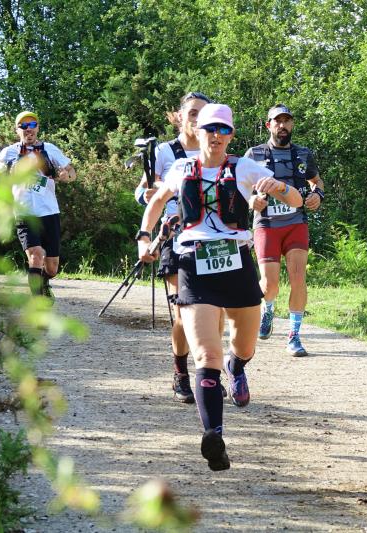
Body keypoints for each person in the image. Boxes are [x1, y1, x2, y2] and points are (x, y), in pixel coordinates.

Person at [136, 103, 303, 470]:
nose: (215, 136)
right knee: (206, 357)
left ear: (231, 135)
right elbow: (157, 202)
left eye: (223, 130)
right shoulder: (180, 169)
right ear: (198, 132)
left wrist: (277, 188)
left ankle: (238, 365)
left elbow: (297, 199)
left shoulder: (244, 167)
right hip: (194, 262)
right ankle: (214, 435)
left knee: (244, 346)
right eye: (209, 129)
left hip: (237, 263)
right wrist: (144, 238)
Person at [133, 92, 213, 404]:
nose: (197, 119)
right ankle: (181, 369)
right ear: (178, 117)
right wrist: (149, 194)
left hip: (210, 239)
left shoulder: (215, 149)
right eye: (192, 113)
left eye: (202, 114)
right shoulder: (166, 152)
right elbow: (142, 194)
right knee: (184, 311)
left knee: (213, 311)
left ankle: (208, 370)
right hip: (174, 237)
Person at [246, 104, 324, 357]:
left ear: (292, 125)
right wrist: (251, 201)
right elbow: (239, 186)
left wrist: (317, 195)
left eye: (287, 121)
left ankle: (294, 336)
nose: (282, 126)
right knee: (269, 285)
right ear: (268, 125)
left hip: (295, 223)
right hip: (267, 224)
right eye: (277, 121)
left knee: (298, 277)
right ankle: (267, 309)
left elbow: (316, 180)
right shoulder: (254, 154)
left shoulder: (303, 154)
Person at [0, 111, 76, 301]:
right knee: (35, 256)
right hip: (24, 213)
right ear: (17, 130)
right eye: (23, 126)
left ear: (37, 128)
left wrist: (66, 176)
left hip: (50, 212)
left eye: (32, 125)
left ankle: (45, 281)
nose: (28, 129)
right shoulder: (9, 152)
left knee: (52, 267)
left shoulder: (50, 149)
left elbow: (71, 172)